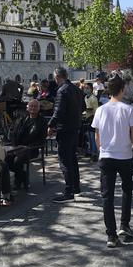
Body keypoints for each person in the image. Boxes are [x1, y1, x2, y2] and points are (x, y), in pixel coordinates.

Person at [91, 75, 133, 248]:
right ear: (122, 90)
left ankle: (111, 235)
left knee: (107, 196)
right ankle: (125, 225)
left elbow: (96, 134)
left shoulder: (101, 109)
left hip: (106, 156)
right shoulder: (128, 110)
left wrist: (101, 150)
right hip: (124, 156)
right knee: (127, 191)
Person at [47, 67, 84, 203]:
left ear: (57, 77)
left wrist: (50, 125)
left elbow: (58, 111)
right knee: (72, 159)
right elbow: (83, 107)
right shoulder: (76, 89)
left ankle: (69, 191)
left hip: (65, 129)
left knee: (65, 161)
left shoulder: (62, 91)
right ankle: (75, 187)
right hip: (75, 127)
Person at [7, 99, 47, 189]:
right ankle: (24, 177)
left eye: (35, 106)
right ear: (27, 108)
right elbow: (13, 133)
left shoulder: (42, 121)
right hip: (17, 147)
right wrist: (14, 145)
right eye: (31, 106)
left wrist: (27, 147)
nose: (33, 108)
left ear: (39, 108)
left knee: (18, 160)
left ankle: (17, 182)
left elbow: (42, 139)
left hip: (32, 149)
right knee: (6, 159)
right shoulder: (22, 118)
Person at [83, 83, 100, 160]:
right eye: (85, 88)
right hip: (86, 118)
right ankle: (89, 151)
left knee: (93, 137)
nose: (86, 89)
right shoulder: (85, 97)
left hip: (92, 118)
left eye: (88, 88)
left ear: (91, 89)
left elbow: (95, 110)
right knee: (88, 137)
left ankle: (95, 153)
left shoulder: (94, 98)